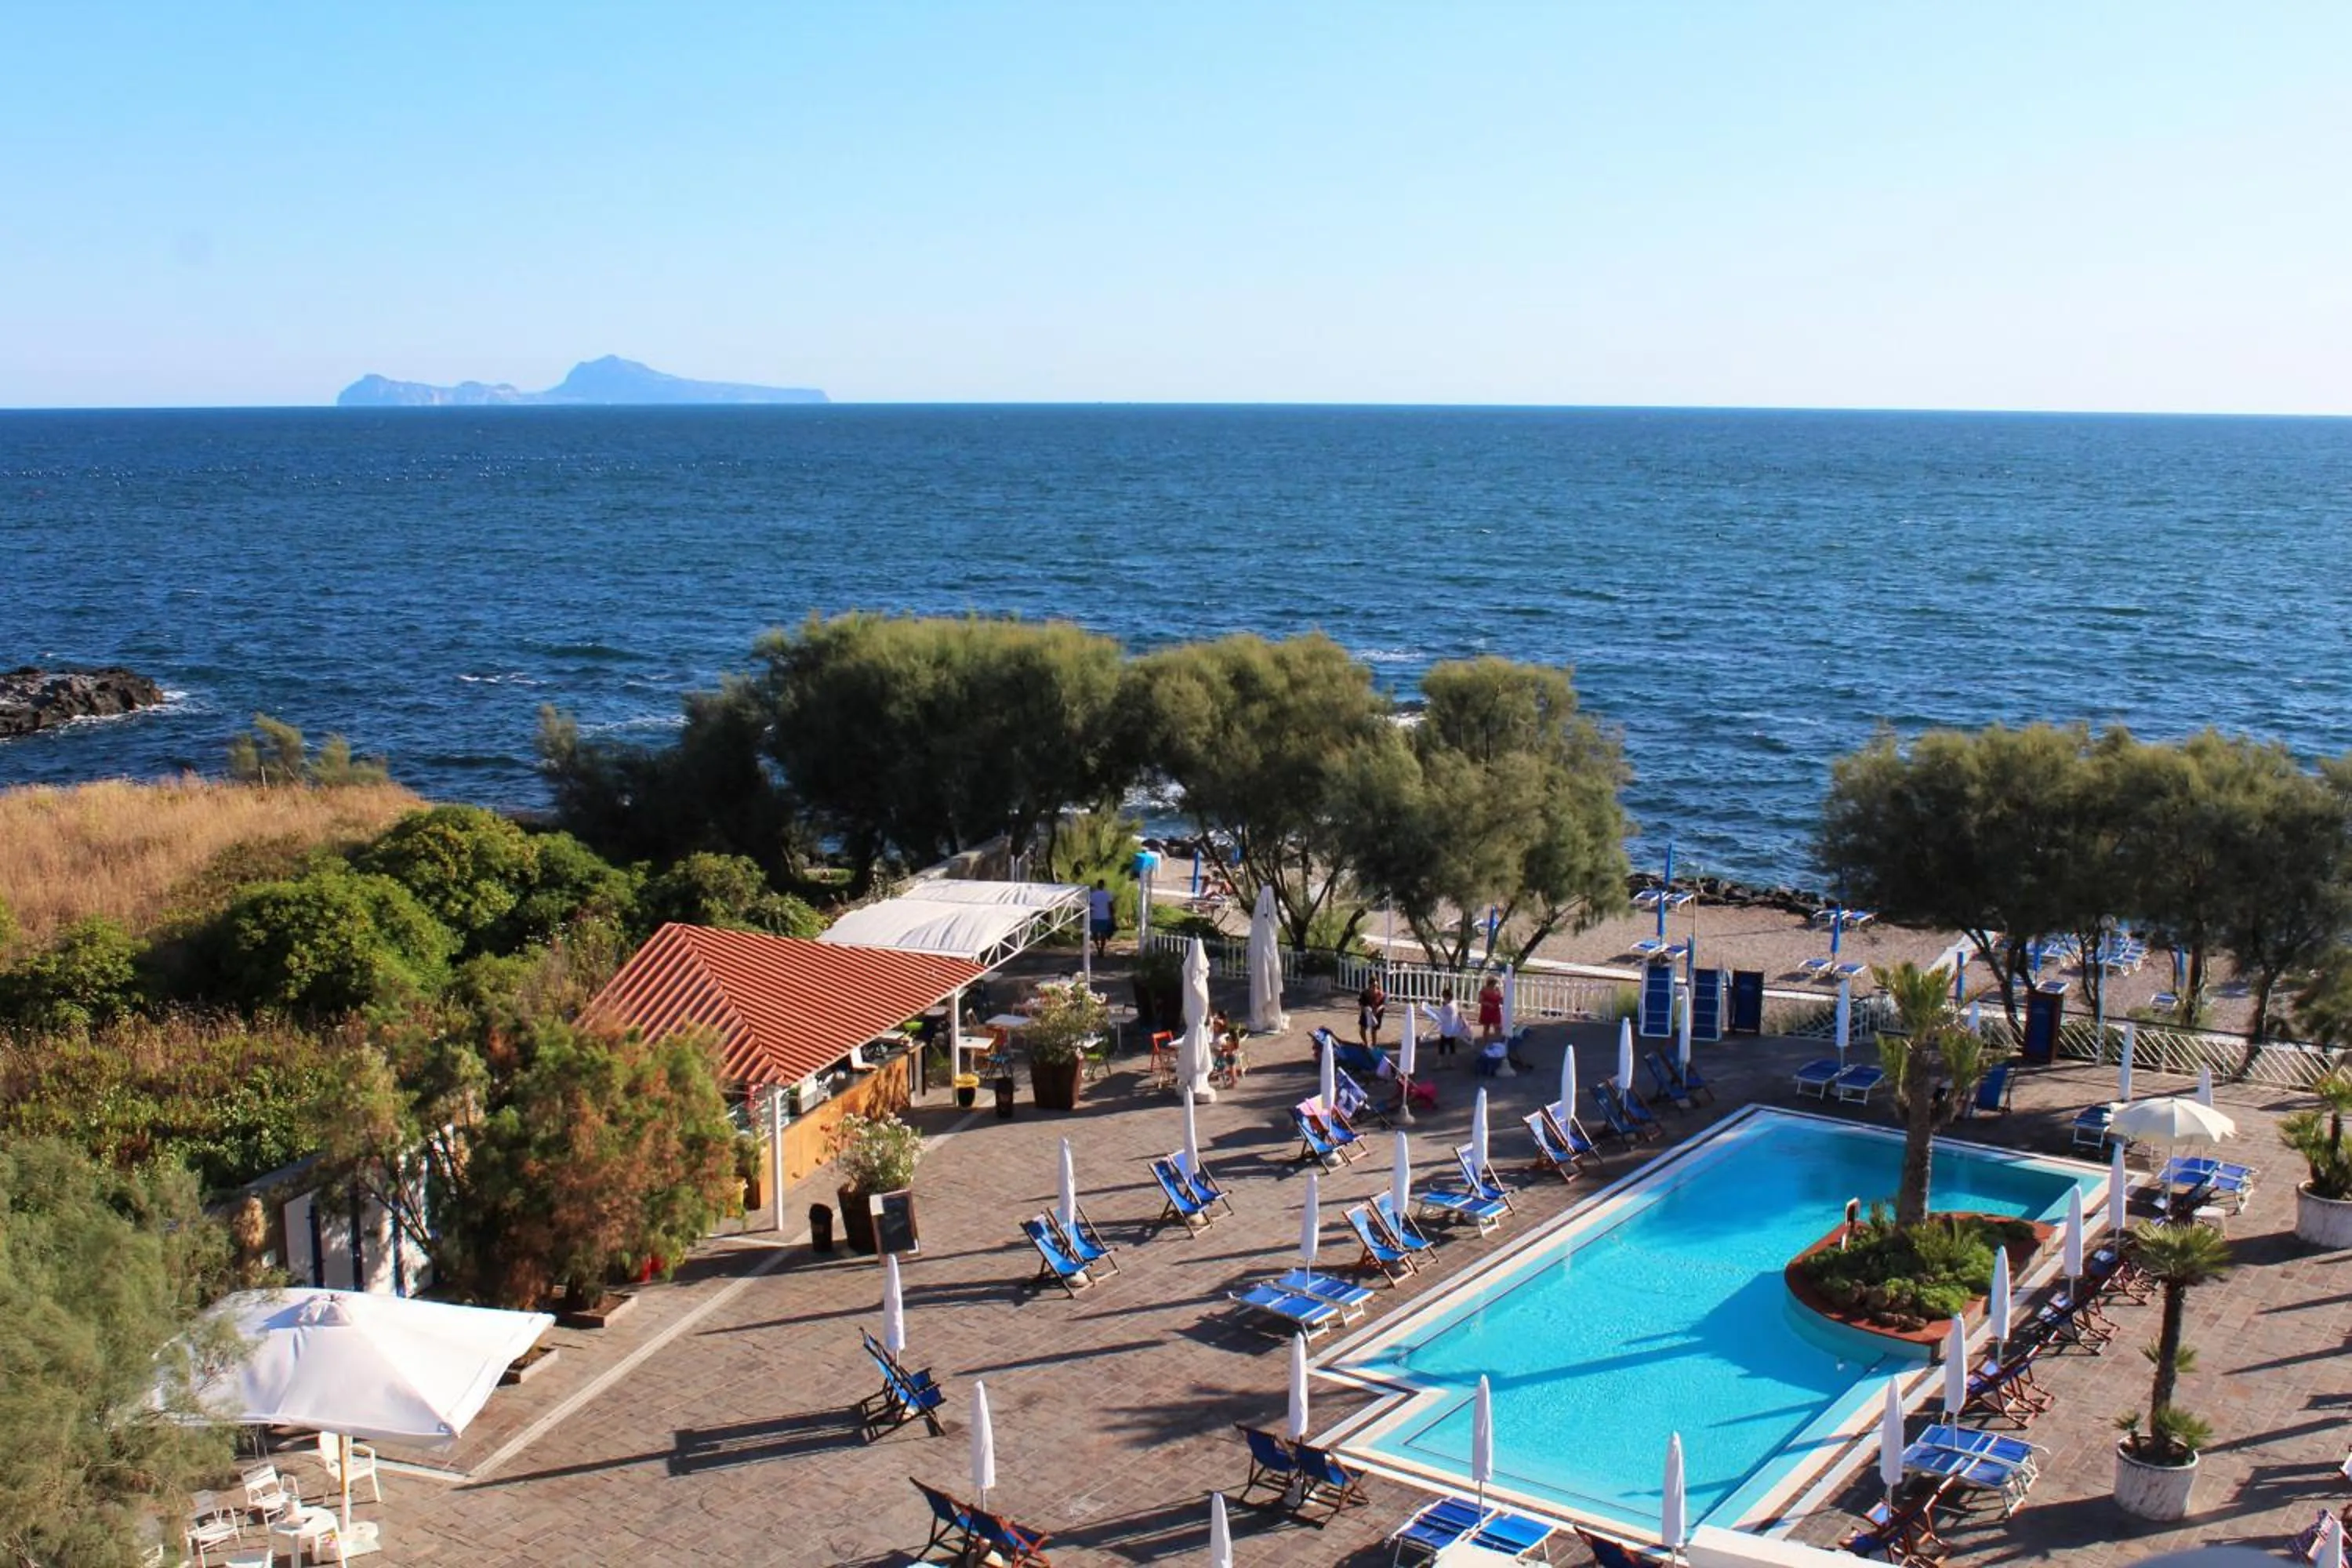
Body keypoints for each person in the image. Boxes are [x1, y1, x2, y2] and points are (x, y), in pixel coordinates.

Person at [1429, 989, 1472, 1065]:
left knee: (1442, 1046)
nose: (1443, 999)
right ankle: (1452, 1063)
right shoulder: (1454, 1003)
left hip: (1446, 1030)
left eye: (1444, 997)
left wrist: (1442, 1007)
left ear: (1447, 997)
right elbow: (1459, 1013)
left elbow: (1441, 1016)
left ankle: (1439, 1063)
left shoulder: (1447, 1007)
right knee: (1452, 1046)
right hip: (1454, 1029)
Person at [1087, 879, 1116, 957]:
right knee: (1103, 935)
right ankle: (1102, 949)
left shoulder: (1093, 894)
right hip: (1105, 917)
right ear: (1103, 885)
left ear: (1098, 885)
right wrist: (1112, 916)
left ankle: (1098, 948)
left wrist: (1090, 914)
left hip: (1095, 916)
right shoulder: (1108, 894)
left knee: (1095, 934)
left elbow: (1090, 905)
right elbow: (1110, 906)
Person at [1358, 977, 1387, 1049]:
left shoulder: (1381, 995)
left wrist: (1378, 1009)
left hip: (1377, 1013)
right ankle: (1366, 1044)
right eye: (1373, 986)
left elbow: (1383, 1004)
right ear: (1369, 985)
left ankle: (1374, 1046)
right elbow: (1361, 1004)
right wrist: (1366, 1010)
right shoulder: (1364, 993)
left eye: (1376, 986)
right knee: (1362, 1030)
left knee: (1374, 1031)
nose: (1375, 987)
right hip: (1366, 1012)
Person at [1476, 975, 1505, 1044]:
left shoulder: (1497, 989)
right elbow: (1480, 1001)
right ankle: (1485, 1042)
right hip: (1486, 1011)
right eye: (1494, 983)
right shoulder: (1484, 990)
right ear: (1490, 983)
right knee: (1486, 1027)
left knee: (1498, 1027)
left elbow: (1500, 999)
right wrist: (1488, 1004)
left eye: (1496, 983)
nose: (1495, 985)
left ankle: (1498, 1042)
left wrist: (1502, 1000)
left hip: (1496, 1011)